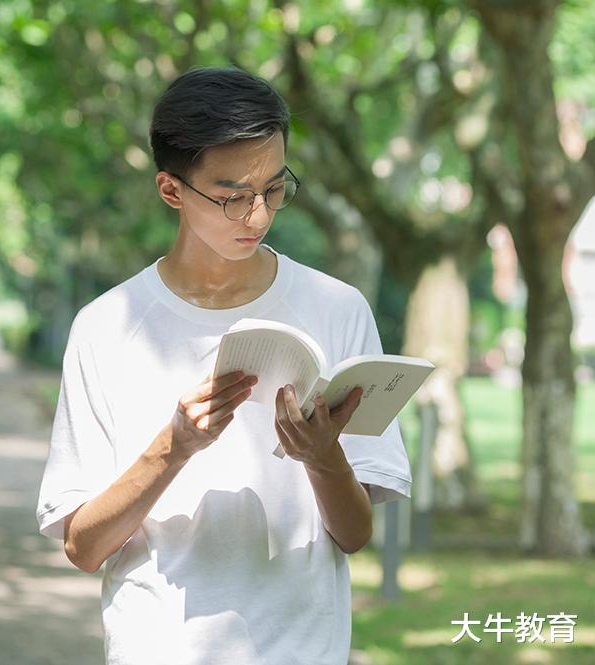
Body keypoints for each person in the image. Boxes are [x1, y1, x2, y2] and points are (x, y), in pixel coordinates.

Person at [36, 66, 412, 665]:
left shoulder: (337, 309)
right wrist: (173, 448)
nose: (258, 216)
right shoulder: (106, 327)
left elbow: (355, 535)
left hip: (304, 651)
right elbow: (83, 548)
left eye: (274, 189)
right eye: (233, 197)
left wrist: (323, 457)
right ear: (171, 190)